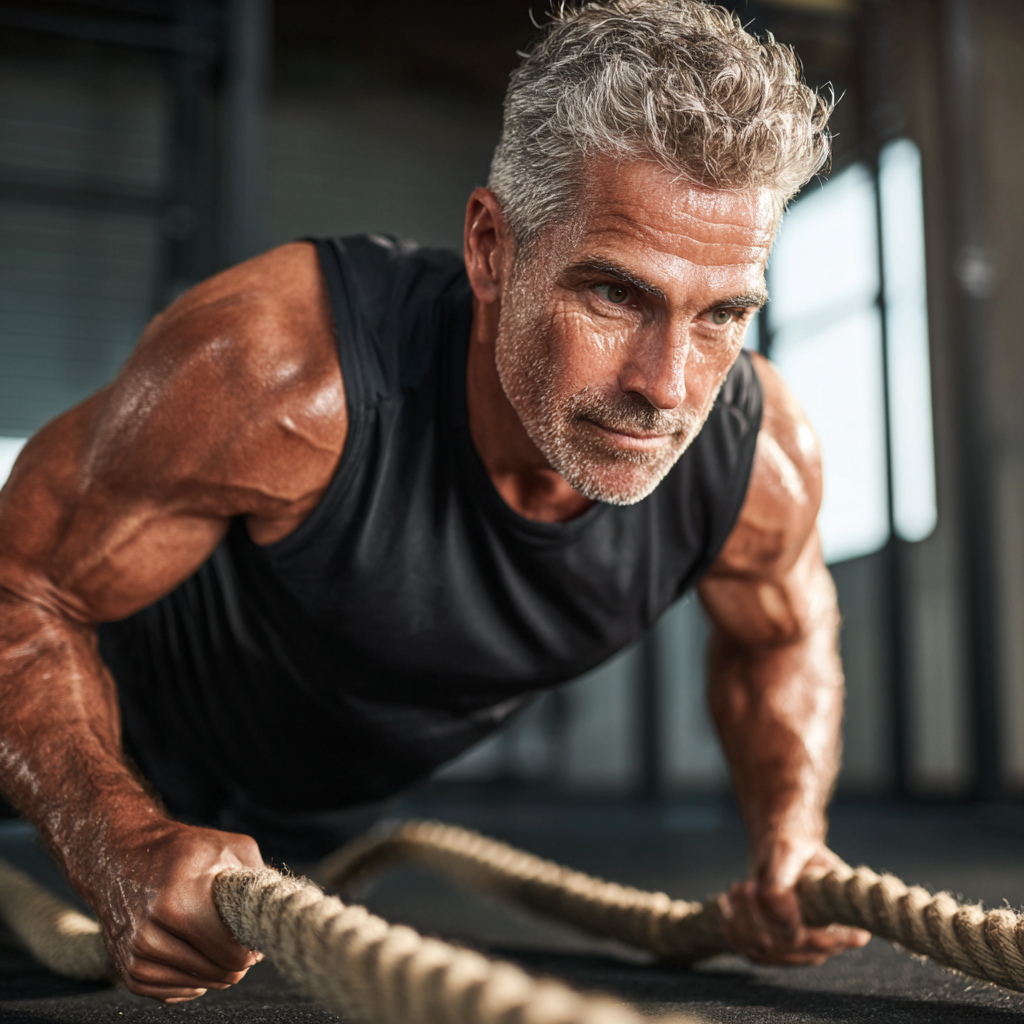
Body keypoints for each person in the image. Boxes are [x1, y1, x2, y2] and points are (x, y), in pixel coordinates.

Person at [0, 0, 871, 1005]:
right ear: (492, 248)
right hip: (68, 754)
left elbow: (782, 635)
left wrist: (790, 839)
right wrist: (118, 838)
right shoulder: (276, 373)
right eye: (614, 296)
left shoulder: (756, 458)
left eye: (722, 313)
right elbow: (22, 589)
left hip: (294, 842)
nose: (667, 386)